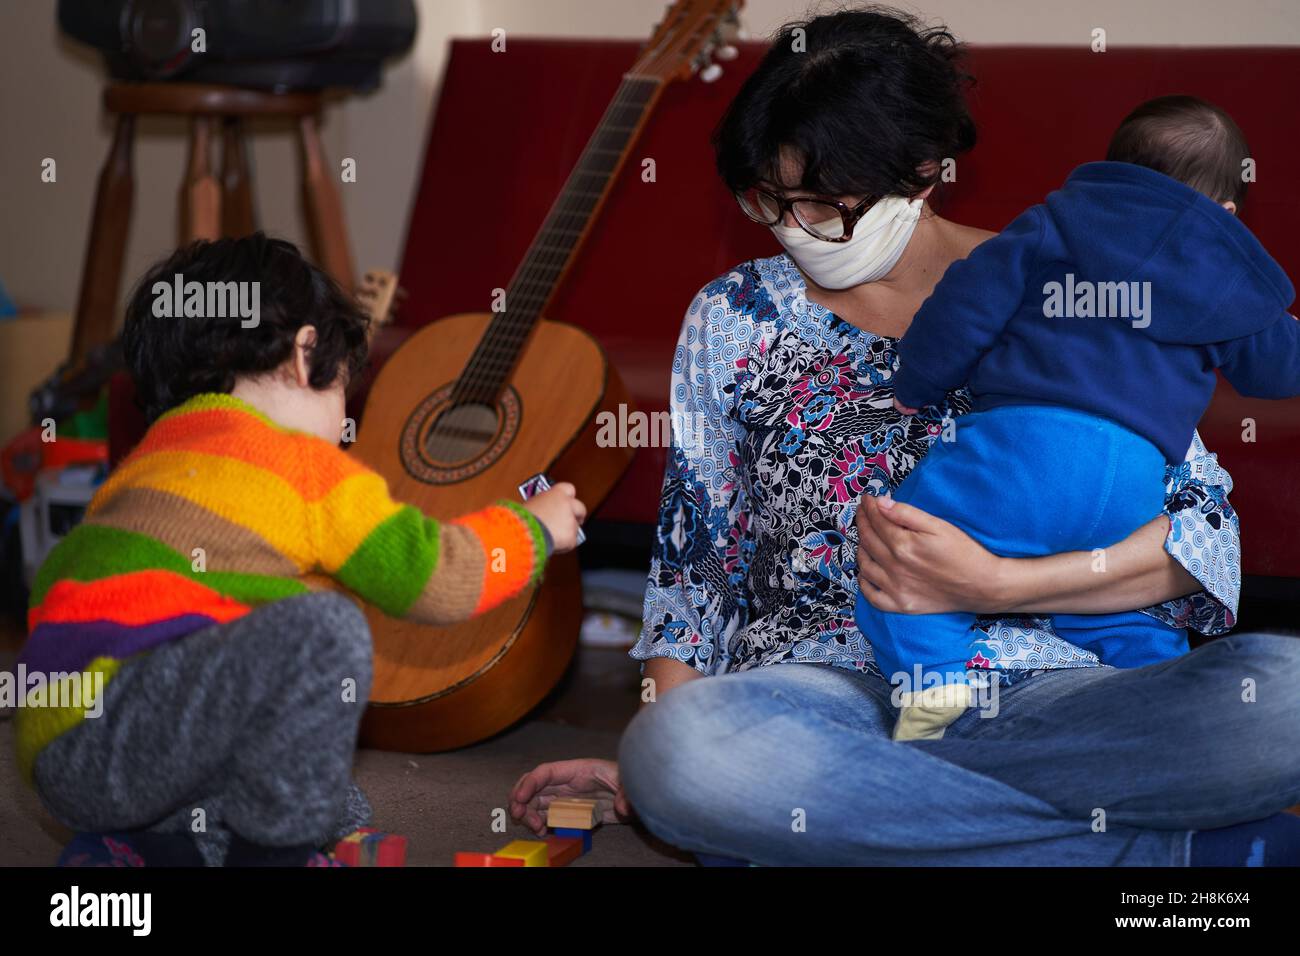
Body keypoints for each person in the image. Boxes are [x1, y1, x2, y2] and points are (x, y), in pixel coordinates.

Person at [511, 6, 1300, 866]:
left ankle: (871, 825)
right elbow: (696, 572)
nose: (791, 225)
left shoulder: (1063, 274)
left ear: (925, 173)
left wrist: (999, 583)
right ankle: (1160, 857)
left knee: (1285, 697)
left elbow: (1203, 537)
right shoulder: (733, 317)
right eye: (767, 199)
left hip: (1057, 687)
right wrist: (648, 759)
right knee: (684, 755)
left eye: (825, 203)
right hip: (824, 690)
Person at [17, 233, 586, 866]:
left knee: (303, 717)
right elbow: (434, 575)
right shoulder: (301, 466)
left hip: (56, 751)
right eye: (344, 389)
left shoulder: (137, 474)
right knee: (327, 630)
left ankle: (146, 851)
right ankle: (274, 858)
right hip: (142, 722)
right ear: (304, 351)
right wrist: (533, 528)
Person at [857, 95, 1300, 741]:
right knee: (1123, 614)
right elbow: (1275, 371)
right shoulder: (1220, 271)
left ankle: (936, 690)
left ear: (1114, 170)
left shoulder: (1052, 225)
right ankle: (1152, 702)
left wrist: (916, 382)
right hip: (1134, 483)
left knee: (902, 555)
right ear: (1226, 211)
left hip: (1018, 456)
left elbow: (964, 308)